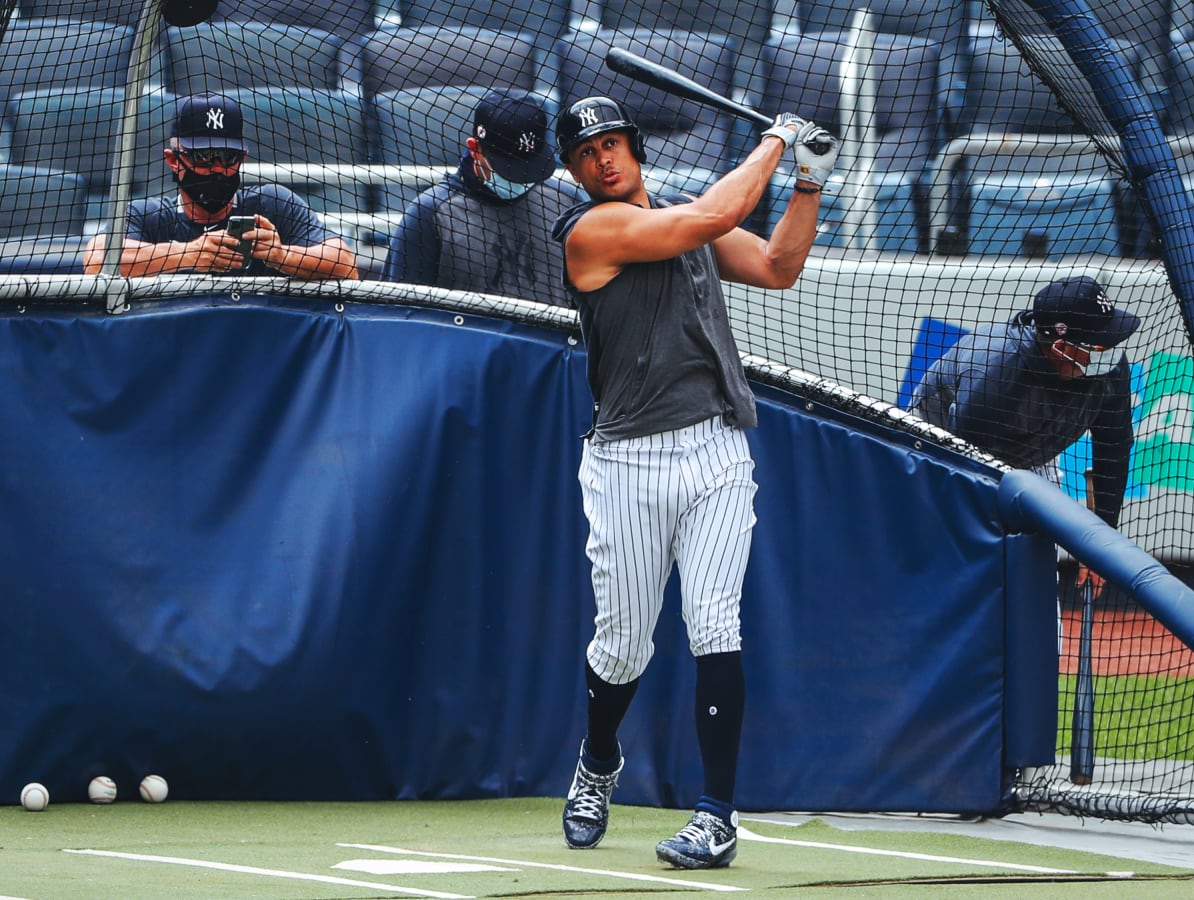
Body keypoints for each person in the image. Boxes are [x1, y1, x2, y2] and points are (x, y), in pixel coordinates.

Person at [550, 95, 838, 869]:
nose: (603, 159)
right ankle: (599, 759)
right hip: (626, 462)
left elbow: (778, 267)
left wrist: (807, 183)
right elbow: (708, 219)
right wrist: (778, 139)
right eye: (586, 152)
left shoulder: (688, 219)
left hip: (715, 449)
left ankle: (715, 815)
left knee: (715, 625)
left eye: (613, 144)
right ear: (575, 172)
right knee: (622, 647)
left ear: (635, 149)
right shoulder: (592, 231)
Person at [907, 274, 1140, 591]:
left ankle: (1037, 637)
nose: (1112, 349)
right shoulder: (996, 374)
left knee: (1035, 573)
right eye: (1098, 343)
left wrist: (1101, 543)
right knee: (954, 562)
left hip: (1030, 452)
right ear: (1061, 348)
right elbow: (965, 475)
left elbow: (1113, 448)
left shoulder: (1108, 368)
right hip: (941, 453)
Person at [84, 93, 359, 279]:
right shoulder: (151, 216)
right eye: (202, 157)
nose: (216, 168)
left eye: (227, 157)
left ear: (242, 158)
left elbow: (346, 265)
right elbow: (96, 261)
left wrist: (280, 255)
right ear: (173, 161)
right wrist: (189, 253)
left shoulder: (270, 205)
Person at [383, 89, 581, 306]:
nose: (521, 180)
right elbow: (400, 315)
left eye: (528, 167)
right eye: (510, 168)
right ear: (475, 148)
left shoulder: (567, 205)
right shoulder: (429, 215)